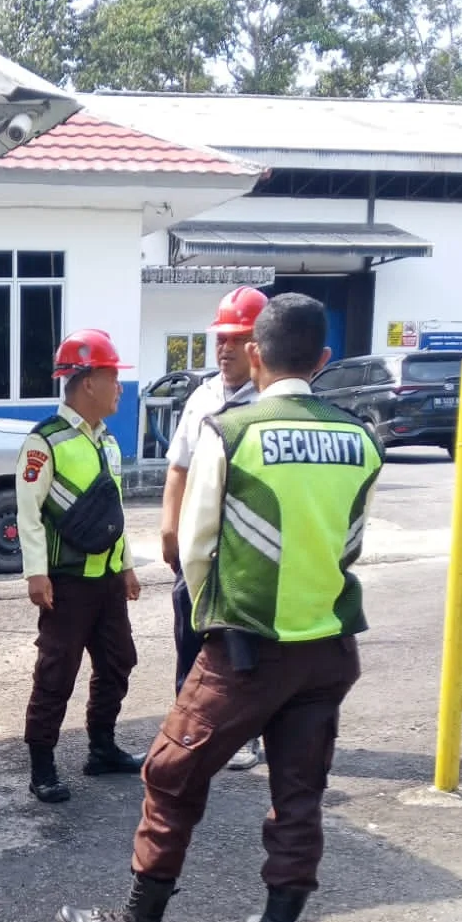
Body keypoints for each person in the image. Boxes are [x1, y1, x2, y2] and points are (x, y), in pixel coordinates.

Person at [57, 293, 382, 922]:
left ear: (256, 354)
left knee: (170, 772)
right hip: (327, 649)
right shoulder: (359, 438)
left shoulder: (231, 432)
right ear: (323, 359)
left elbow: (197, 546)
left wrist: (211, 624)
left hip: (246, 647)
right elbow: (350, 543)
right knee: (299, 791)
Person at [15, 329, 142, 804]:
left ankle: (102, 748)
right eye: (113, 378)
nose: (120, 388)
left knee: (118, 661)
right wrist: (36, 573)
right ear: (88, 382)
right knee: (56, 673)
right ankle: (42, 766)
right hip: (66, 584)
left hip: (107, 581)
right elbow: (28, 513)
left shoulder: (106, 441)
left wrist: (126, 566)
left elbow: (115, 512)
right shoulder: (45, 441)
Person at [162, 286, 267, 770]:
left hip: (248, 548)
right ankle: (188, 731)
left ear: (259, 344)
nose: (225, 348)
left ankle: (245, 736)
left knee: (243, 644)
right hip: (198, 546)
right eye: (221, 338)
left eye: (237, 338)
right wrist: (169, 529)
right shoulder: (203, 396)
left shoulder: (269, 401)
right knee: (190, 638)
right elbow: (178, 467)